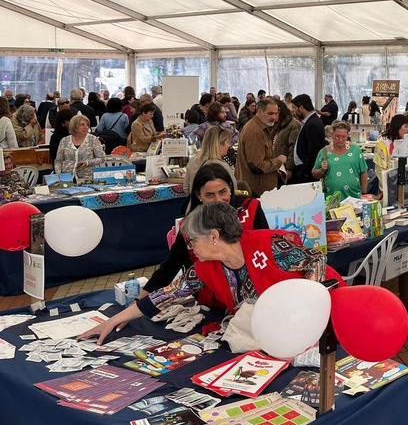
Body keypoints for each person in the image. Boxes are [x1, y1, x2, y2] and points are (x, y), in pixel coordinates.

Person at [79, 201, 343, 345]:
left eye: (192, 240)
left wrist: (305, 304)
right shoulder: (205, 269)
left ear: (214, 236)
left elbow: (316, 261)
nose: (190, 247)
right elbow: (165, 295)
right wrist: (113, 320)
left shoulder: (270, 245)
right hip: (274, 332)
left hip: (317, 319)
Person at [141, 163, 268, 300]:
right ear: (199, 195)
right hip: (209, 301)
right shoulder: (192, 225)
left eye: (222, 192)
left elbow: (266, 248)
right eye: (210, 195)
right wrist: (141, 299)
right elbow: (171, 265)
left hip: (253, 296)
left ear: (230, 188)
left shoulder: (251, 209)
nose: (218, 200)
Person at [235, 98, 286, 196]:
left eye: (276, 113)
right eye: (270, 113)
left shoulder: (260, 128)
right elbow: (257, 166)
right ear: (259, 111)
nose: (274, 117)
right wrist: (279, 161)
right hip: (256, 191)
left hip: (258, 189)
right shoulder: (255, 131)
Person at [311, 121, 368, 199]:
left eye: (343, 136)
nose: (340, 139)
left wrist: (364, 192)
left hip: (354, 198)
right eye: (337, 136)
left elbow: (363, 171)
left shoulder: (356, 150)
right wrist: (322, 170)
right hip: (331, 199)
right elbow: (314, 174)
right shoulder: (324, 152)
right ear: (332, 135)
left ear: (347, 136)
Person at [185, 126, 235, 194]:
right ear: (223, 143)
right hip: (217, 204)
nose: (229, 146)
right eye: (229, 142)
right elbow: (234, 190)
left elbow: (186, 188)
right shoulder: (222, 166)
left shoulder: (192, 161)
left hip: (195, 203)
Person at [291, 94, 327, 184]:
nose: (293, 111)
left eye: (295, 108)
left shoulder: (312, 124)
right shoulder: (309, 121)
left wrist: (306, 172)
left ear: (301, 108)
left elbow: (313, 151)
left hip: (307, 173)